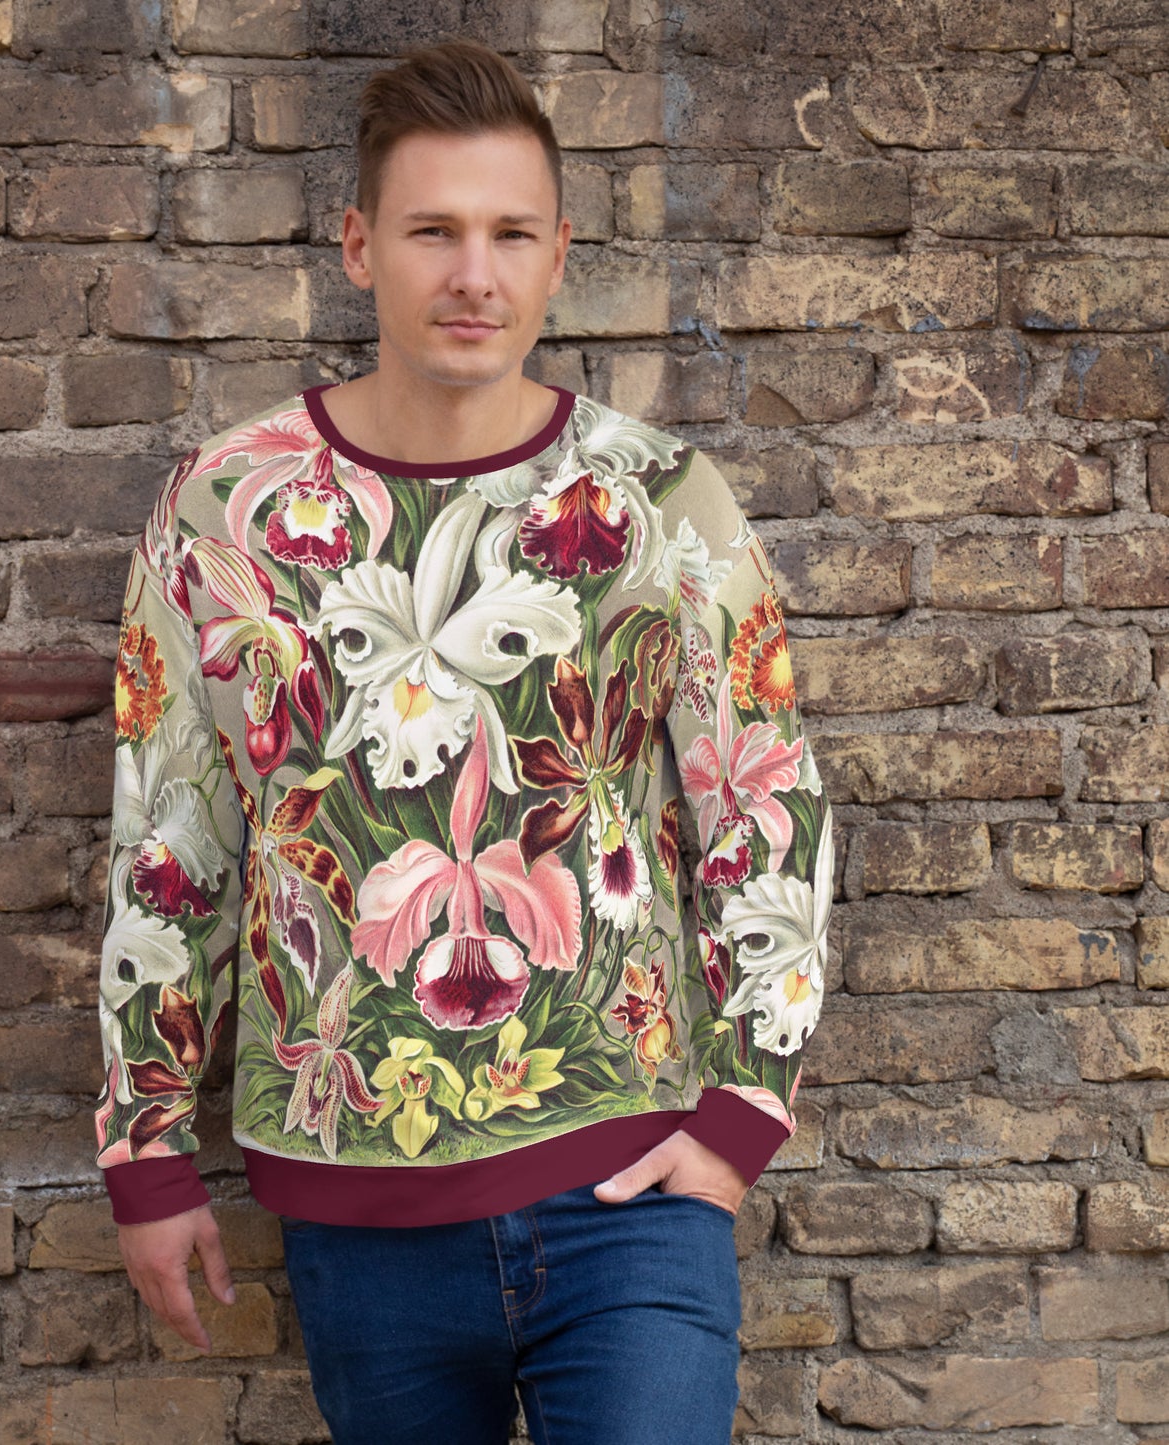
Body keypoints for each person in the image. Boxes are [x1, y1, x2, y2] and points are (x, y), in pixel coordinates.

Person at [95, 38, 832, 1445]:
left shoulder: (657, 499)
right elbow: (169, 839)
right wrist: (146, 1146)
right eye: (432, 231)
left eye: (509, 235)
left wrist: (744, 1110)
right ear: (357, 245)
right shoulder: (222, 510)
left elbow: (766, 798)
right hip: (356, 1207)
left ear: (560, 255)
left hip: (631, 1184)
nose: (472, 275)